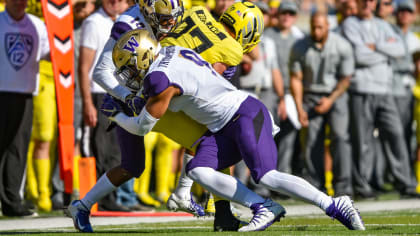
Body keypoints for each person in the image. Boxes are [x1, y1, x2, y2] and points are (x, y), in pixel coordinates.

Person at [103, 29, 365, 232]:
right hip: (223, 126)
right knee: (198, 169)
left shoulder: (158, 79)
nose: (129, 72)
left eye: (129, 65)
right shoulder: (171, 51)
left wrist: (117, 115)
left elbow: (141, 127)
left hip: (243, 113)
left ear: (144, 55)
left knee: (266, 176)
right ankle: (261, 206)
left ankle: (333, 204)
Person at [67, 0, 265, 232]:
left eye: (174, 17)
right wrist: (126, 97)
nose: (171, 23)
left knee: (141, 162)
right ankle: (191, 199)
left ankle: (215, 211)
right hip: (137, 97)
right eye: (165, 19)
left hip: (155, 93)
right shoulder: (128, 23)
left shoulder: (186, 15)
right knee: (204, 139)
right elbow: (101, 71)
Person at [342, 0, 419, 198]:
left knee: (396, 136)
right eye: (363, 1)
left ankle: (405, 183)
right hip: (361, 88)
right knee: (362, 140)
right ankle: (363, 186)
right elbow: (358, 55)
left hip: (384, 90)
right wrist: (384, 52)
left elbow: (400, 51)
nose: (367, 4)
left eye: (371, 0)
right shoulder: (350, 24)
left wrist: (373, 47)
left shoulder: (384, 25)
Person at [290, 12, 354, 196]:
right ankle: (315, 188)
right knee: (310, 141)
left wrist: (331, 100)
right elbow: (296, 78)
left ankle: (343, 187)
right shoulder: (300, 47)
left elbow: (346, 78)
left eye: (320, 27)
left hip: (336, 95)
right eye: (313, 27)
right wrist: (299, 107)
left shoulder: (342, 45)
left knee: (340, 137)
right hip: (310, 96)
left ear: (328, 26)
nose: (316, 31)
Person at [0, 0, 49, 217]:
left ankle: (12, 201)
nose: (21, 3)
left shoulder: (38, 25)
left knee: (17, 149)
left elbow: (52, 54)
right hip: (1, 91)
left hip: (25, 94)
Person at [264, 0, 304, 177]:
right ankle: (266, 176)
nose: (287, 17)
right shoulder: (267, 36)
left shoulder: (299, 38)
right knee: (268, 137)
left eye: (291, 13)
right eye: (284, 13)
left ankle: (284, 176)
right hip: (270, 92)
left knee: (289, 136)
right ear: (277, 15)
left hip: (292, 93)